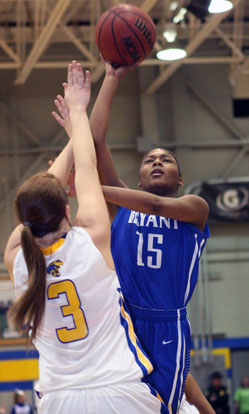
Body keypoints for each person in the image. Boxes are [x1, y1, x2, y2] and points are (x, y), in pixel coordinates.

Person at [4, 61, 168, 414]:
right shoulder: (91, 238)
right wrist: (79, 113)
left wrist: (75, 130)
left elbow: (47, 192)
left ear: (23, 221)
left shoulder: (17, 257)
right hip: (119, 391)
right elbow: (88, 168)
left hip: (59, 400)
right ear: (67, 210)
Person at [53, 61, 214, 414]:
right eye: (149, 160)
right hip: (119, 319)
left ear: (180, 178)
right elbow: (94, 141)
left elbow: (155, 205)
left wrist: (88, 185)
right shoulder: (122, 209)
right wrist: (111, 78)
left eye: (166, 159)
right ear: (138, 178)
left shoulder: (194, 209)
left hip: (166, 323)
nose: (157, 162)